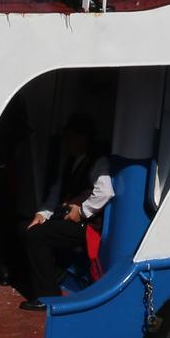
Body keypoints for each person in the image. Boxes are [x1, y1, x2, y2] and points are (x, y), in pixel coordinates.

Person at [20, 115, 113, 310]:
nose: (67, 142)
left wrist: (83, 211)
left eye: (71, 138)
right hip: (68, 216)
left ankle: (48, 296)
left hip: (86, 226)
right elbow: (56, 192)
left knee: (37, 236)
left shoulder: (98, 162)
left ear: (83, 138)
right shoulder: (71, 161)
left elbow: (105, 192)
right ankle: (52, 276)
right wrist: (42, 214)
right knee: (30, 228)